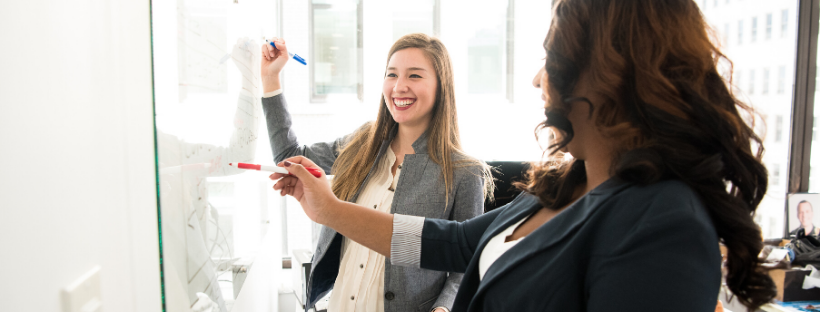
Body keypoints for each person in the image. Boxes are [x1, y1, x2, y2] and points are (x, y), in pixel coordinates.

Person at [269, 0, 777, 311]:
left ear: (609, 73)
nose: (538, 78)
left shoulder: (663, 223)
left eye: (550, 59)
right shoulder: (565, 183)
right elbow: (456, 242)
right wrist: (329, 210)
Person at [260, 34, 493, 312]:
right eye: (391, 74)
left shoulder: (465, 172)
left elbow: (466, 265)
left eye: (415, 76)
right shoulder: (362, 143)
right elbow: (290, 158)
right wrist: (271, 79)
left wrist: (443, 309)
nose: (399, 86)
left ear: (442, 86)